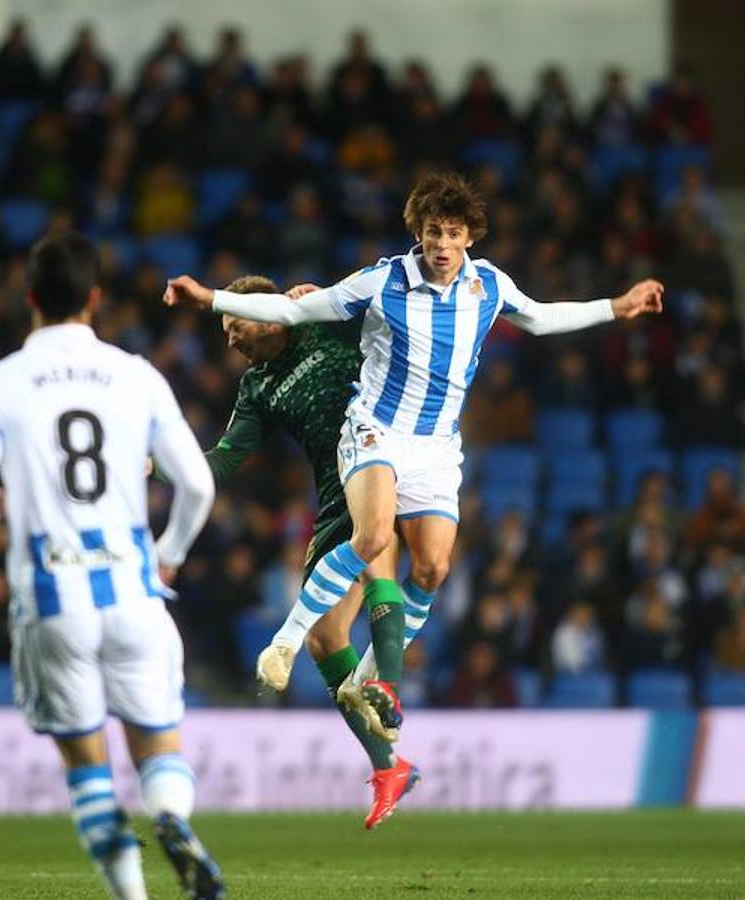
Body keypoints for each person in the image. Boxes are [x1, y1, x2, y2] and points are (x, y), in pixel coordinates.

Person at [164, 170, 663, 740]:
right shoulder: (384, 281)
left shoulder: (488, 286)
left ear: (469, 236)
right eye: (432, 233)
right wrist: (209, 298)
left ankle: (366, 680)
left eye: (452, 233)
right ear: (418, 234)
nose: (442, 245)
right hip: (376, 429)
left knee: (432, 569)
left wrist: (618, 306)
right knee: (374, 536)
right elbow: (296, 312)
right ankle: (285, 642)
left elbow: (543, 317)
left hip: (437, 447)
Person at [0, 231, 222, 900]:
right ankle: (170, 815)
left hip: (51, 597)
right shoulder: (137, 376)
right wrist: (168, 556)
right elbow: (197, 485)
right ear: (94, 299)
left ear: (29, 296)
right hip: (133, 588)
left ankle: (132, 896)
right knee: (158, 747)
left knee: (88, 769)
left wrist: (5, 508)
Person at [187, 274, 417, 828]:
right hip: (335, 489)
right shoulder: (257, 386)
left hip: (386, 455)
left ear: (267, 314)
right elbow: (226, 457)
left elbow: (386, 316)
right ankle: (390, 764)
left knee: (375, 547)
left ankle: (387, 689)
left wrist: (326, 297)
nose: (230, 339)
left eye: (235, 324)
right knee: (324, 639)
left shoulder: (322, 322)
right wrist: (166, 466)